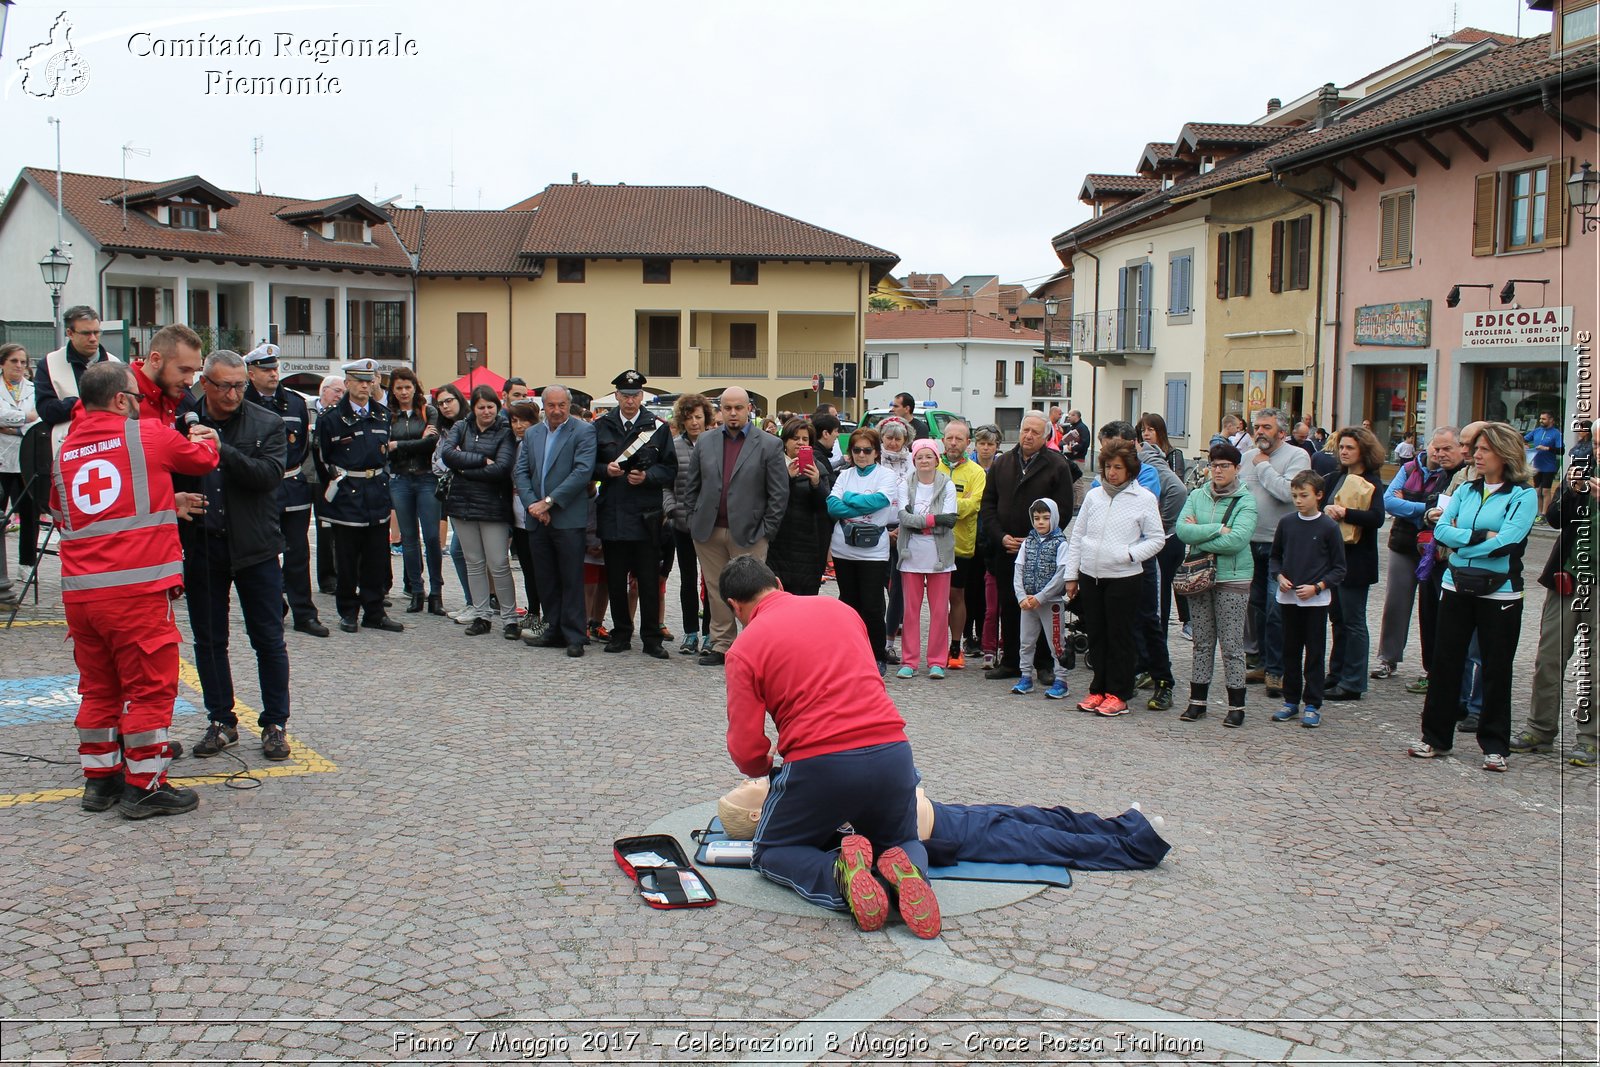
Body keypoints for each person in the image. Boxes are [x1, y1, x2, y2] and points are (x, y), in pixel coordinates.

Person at [720, 555, 939, 938]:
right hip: (892, 748)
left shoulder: (745, 647)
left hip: (821, 763)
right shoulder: (839, 609)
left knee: (771, 850)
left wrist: (762, 767)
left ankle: (838, 875)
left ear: (734, 606)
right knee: (902, 839)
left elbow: (746, 749)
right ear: (777, 581)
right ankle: (906, 875)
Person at [54, 362, 218, 817]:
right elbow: (201, 460)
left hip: (82, 596)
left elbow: (74, 513)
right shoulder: (144, 433)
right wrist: (208, 439)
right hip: (137, 591)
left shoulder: (64, 452)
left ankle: (100, 782)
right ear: (122, 400)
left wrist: (167, 501)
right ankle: (145, 785)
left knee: (99, 689)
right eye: (137, 398)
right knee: (149, 689)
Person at [175, 351, 294, 762]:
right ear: (203, 383)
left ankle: (276, 723)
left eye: (240, 385)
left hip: (256, 546)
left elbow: (268, 477)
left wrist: (222, 449)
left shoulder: (267, 422)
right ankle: (221, 720)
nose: (232, 393)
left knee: (268, 639)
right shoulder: (181, 421)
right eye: (224, 385)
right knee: (209, 640)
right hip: (204, 544)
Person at [1410, 423, 1537, 771]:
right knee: (1446, 661)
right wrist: (1480, 535)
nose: (1475, 455)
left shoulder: (1523, 495)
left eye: (1483, 449)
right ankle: (1435, 737)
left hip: (1501, 592)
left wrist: (1464, 543)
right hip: (1456, 584)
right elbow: (1441, 530)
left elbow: (1509, 541)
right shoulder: (1465, 489)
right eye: (1475, 449)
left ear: (1505, 454)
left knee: (1496, 667)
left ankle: (1494, 745)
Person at [718, 778, 1170, 872]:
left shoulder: (797, 810)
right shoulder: (799, 828)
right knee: (1045, 841)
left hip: (948, 814)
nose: (751, 779)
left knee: (1042, 817)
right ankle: (1139, 848)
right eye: (748, 787)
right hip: (953, 835)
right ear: (758, 814)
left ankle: (1124, 825)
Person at [681, 385, 788, 667]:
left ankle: (754, 647)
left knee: (752, 591)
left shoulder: (768, 444)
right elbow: (691, 486)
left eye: (738, 408)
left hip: (751, 532)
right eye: (727, 408)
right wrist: (692, 519)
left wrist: (767, 530)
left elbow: (779, 493)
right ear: (720, 410)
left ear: (749, 409)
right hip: (708, 530)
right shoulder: (705, 442)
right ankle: (721, 645)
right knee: (716, 590)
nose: (732, 413)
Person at [1512, 429, 1600, 767]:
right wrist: (1572, 490)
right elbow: (1555, 519)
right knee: (1548, 657)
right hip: (1567, 579)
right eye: (1596, 443)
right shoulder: (1584, 472)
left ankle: (1590, 738)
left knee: (1592, 666)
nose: (1597, 450)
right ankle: (1540, 729)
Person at [1066, 440, 1164, 716]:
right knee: (1097, 634)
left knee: (1120, 636)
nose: (1112, 472)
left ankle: (1118, 693)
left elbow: (1157, 539)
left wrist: (1130, 554)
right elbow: (1078, 536)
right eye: (1108, 466)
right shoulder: (1094, 496)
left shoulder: (1143, 498)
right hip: (1091, 575)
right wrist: (1072, 575)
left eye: (1118, 467)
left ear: (1129, 469)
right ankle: (1098, 688)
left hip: (1123, 576)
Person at [980, 413, 1075, 682]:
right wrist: (1001, 536)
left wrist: (1036, 538)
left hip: (1041, 550)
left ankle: (1044, 664)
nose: (1028, 436)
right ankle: (1011, 661)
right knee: (1010, 606)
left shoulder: (1057, 465)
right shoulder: (1003, 463)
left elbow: (1064, 510)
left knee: (1043, 606)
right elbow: (987, 506)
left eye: (1035, 431)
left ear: (1046, 436)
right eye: (1025, 430)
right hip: (1007, 548)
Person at [240, 345, 327, 636]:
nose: (273, 374)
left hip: (293, 485)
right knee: (264, 554)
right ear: (251, 373)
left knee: (298, 553)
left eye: (275, 368)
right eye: (265, 369)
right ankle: (273, 608)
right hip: (260, 489)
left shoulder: (295, 402)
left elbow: (302, 444)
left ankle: (304, 613)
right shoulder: (242, 403)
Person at [593, 370, 676, 659]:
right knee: (615, 579)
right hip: (614, 512)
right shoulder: (601, 426)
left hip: (646, 516)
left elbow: (669, 468)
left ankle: (652, 637)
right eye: (625, 395)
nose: (630, 400)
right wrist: (605, 470)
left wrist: (648, 477)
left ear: (642, 396)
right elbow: (588, 465)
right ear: (616, 396)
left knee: (649, 581)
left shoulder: (657, 427)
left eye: (635, 395)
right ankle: (621, 633)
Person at [316, 359, 403, 634]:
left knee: (377, 558)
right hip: (347, 495)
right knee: (347, 558)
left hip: (375, 491)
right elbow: (322, 459)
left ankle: (374, 611)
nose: (365, 386)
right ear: (348, 383)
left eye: (369, 381)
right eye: (359, 381)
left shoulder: (381, 414)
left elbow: (384, 453)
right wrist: (333, 485)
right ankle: (348, 612)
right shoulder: (331, 419)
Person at [1371, 427, 1463, 685]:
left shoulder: (1454, 475)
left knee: (1432, 608)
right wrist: (1426, 508)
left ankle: (1432, 669)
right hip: (1404, 543)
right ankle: (1388, 659)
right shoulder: (1411, 468)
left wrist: (1412, 506)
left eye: (1447, 448)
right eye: (1437, 447)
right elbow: (1389, 502)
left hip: (1437, 550)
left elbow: (1444, 510)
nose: (1439, 452)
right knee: (1396, 603)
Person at [1175, 443, 1258, 726]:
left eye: (1225, 465)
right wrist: (1213, 530)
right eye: (1215, 465)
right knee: (1202, 641)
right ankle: (1197, 701)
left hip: (1232, 578)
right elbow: (1182, 531)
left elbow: (1237, 540)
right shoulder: (1197, 495)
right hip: (1199, 576)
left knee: (1232, 644)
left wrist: (1200, 536)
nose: (1218, 470)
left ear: (1236, 468)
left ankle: (1237, 705)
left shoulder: (1246, 500)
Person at [513, 385, 596, 656]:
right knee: (545, 577)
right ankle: (553, 629)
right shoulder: (533, 433)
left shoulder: (583, 431)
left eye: (562, 405)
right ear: (543, 407)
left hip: (568, 517)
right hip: (537, 519)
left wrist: (549, 502)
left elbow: (582, 472)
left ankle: (575, 635)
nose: (557, 410)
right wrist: (533, 506)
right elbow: (521, 472)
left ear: (569, 405)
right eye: (552, 405)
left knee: (571, 577)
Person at [1267, 472, 1347, 729]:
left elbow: (1339, 568)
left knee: (1314, 652)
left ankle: (1313, 703)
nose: (1299, 501)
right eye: (1295, 496)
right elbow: (1275, 556)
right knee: (1290, 650)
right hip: (1289, 598)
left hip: (1315, 601)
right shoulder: (1287, 523)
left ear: (1319, 496)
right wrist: (1279, 576)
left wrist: (1318, 587)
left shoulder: (1328, 527)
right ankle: (1291, 700)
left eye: (1304, 496)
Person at [1240, 408, 1310, 699]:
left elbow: (1288, 493)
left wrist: (1264, 466)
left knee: (1275, 607)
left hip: (1278, 544)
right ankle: (1262, 662)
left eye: (1266, 427)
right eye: (1257, 426)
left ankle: (1277, 670)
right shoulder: (1246, 456)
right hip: (1248, 541)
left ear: (1282, 432)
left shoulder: (1297, 457)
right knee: (1255, 607)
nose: (1259, 432)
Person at [440, 385, 519, 639]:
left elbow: (502, 468)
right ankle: (482, 614)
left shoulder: (505, 432)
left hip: (493, 506)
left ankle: (509, 619)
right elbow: (448, 454)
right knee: (474, 563)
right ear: (473, 408)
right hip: (462, 504)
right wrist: (481, 460)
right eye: (481, 407)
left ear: (497, 406)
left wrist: (464, 469)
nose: (486, 411)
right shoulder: (461, 427)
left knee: (498, 564)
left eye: (490, 407)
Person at [828, 427, 902, 673]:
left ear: (876, 452)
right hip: (843, 549)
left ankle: (877, 654)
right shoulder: (844, 475)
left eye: (867, 450)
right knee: (848, 604)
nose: (861, 455)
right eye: (857, 450)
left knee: (872, 606)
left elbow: (880, 501)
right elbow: (832, 507)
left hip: (873, 551)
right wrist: (859, 507)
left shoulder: (886, 475)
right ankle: (849, 653)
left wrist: (848, 498)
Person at [1321, 428, 1387, 702]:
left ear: (1363, 451)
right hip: (1333, 559)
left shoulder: (1371, 481)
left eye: (1350, 447)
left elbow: (1377, 518)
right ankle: (1336, 674)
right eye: (1342, 447)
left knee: (1354, 621)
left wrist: (1346, 513)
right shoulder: (1336, 477)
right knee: (1337, 619)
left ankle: (1353, 681)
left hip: (1357, 561)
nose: (1344, 452)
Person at [380, 367, 444, 617]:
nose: (404, 392)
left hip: (426, 478)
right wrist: (405, 445)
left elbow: (431, 443)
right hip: (400, 480)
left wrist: (398, 445)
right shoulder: (388, 416)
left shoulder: (428, 411)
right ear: (393, 391)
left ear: (415, 387)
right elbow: (385, 447)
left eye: (408, 387)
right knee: (408, 539)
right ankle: (417, 592)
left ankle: (436, 593)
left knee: (431, 538)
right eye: (399, 388)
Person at [896, 438, 958, 680]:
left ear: (936, 459)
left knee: (940, 610)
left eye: (928, 456)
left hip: (939, 557)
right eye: (919, 457)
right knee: (910, 611)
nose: (924, 460)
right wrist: (934, 521)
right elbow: (904, 518)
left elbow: (950, 519)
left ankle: (936, 661)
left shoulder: (947, 485)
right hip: (911, 555)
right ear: (914, 460)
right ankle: (909, 661)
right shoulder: (905, 484)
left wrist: (920, 523)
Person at [1135, 437, 1189, 710]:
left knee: (1152, 618)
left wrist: (1167, 526)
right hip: (1119, 565)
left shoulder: (1149, 476)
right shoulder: (1101, 490)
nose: (1112, 472)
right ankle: (1131, 671)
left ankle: (1162, 679)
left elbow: (1178, 495)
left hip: (1147, 558)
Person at [665, 393, 714, 654]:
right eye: (689, 417)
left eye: (699, 417)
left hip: (710, 524)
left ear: (706, 418)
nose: (694, 422)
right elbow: (666, 486)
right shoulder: (673, 446)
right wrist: (671, 509)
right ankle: (690, 633)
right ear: (682, 420)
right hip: (682, 523)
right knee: (687, 579)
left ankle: (709, 633)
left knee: (711, 581)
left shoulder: (716, 445)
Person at [35, 305, 121, 452]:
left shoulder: (116, 364)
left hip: (110, 444)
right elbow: (46, 410)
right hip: (66, 446)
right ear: (70, 333)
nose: (93, 339)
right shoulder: (49, 364)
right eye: (86, 333)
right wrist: (82, 403)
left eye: (97, 332)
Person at [1009, 499, 1070, 699]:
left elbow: (1061, 574)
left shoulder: (1060, 543)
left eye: (1045, 518)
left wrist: (1042, 596)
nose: (1040, 522)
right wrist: (1021, 596)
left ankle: (1061, 680)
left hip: (1050, 603)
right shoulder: (1028, 542)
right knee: (1026, 641)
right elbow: (1019, 569)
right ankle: (1025, 675)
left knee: (1056, 643)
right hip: (1027, 602)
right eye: (1036, 518)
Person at [940, 420, 985, 670]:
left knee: (957, 596)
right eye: (950, 438)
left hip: (961, 546)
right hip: (930, 543)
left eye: (959, 439)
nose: (954, 443)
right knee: (935, 599)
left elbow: (972, 506)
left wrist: (942, 504)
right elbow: (920, 499)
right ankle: (937, 647)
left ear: (968, 443)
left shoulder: (976, 472)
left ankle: (956, 646)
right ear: (943, 440)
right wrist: (959, 500)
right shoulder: (932, 465)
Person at [767, 418, 828, 597]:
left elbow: (824, 507)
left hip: (808, 546)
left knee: (804, 600)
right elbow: (768, 499)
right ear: (785, 441)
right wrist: (787, 478)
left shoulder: (819, 468)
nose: (800, 443)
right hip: (778, 544)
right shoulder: (774, 465)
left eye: (805, 439)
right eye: (795, 438)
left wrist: (816, 483)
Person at [0, 343, 39, 607]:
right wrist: (24, 419)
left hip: (25, 460)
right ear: (3, 363)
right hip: (2, 461)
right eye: (14, 361)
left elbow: (37, 419)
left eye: (23, 362)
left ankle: (26, 563)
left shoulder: (33, 390)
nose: (19, 366)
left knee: (29, 513)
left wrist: (13, 425)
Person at [504, 401, 544, 636]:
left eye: (523, 421)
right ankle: (533, 612)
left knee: (540, 568)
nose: (519, 426)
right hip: (517, 514)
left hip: (535, 511)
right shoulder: (513, 444)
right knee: (528, 568)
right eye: (514, 421)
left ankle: (545, 614)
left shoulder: (538, 444)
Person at [310, 374, 345, 594]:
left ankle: (329, 577)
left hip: (329, 479)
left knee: (327, 530)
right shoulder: (306, 410)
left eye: (343, 392)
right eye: (336, 391)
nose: (340, 396)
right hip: (304, 476)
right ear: (324, 390)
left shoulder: (340, 415)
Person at [1524, 410, 1564, 519]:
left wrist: (1547, 448)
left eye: (1544, 419)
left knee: (1545, 490)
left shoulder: (1556, 433)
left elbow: (1561, 450)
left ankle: (1545, 514)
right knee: (1537, 490)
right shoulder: (1537, 431)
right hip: (1537, 465)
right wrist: (1525, 444)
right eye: (1540, 418)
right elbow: (1523, 439)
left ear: (1551, 420)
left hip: (1548, 466)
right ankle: (1538, 513)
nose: (1541, 421)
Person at [1138, 412, 1186, 479]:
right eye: (1143, 430)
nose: (1146, 434)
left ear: (1160, 432)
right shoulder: (1141, 455)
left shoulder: (1174, 454)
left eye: (1150, 430)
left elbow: (1178, 483)